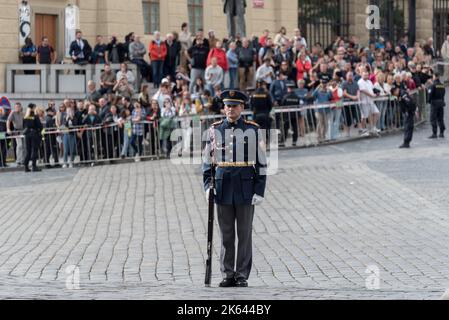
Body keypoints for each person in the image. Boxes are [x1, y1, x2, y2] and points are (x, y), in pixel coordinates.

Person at [202, 89, 267, 288]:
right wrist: (207, 187)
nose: (231, 109)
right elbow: (207, 163)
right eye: (228, 106)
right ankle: (227, 273)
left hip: (246, 187)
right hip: (222, 187)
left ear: (242, 108)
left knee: (244, 234)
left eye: (235, 106)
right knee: (226, 234)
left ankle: (241, 275)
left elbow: (262, 162)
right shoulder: (214, 130)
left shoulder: (253, 130)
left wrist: (259, 190)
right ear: (223, 108)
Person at [22, 104, 43, 172]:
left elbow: (23, 126)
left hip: (27, 135)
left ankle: (26, 167)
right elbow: (39, 126)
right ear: (33, 108)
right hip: (34, 134)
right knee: (34, 150)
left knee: (28, 151)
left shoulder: (25, 117)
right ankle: (34, 166)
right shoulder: (35, 116)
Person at [280, 81, 301, 146]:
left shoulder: (285, 97)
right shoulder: (297, 97)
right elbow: (298, 106)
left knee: (285, 129)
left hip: (287, 115)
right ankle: (294, 141)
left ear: (288, 89)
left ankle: (282, 142)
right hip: (295, 115)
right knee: (295, 128)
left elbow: (282, 105)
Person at [428, 72, 446, 139]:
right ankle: (441, 133)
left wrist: (429, 101)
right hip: (441, 102)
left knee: (433, 119)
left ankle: (434, 133)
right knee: (440, 118)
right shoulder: (442, 85)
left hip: (434, 103)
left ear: (435, 76)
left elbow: (430, 95)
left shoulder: (433, 85)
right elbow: (443, 93)